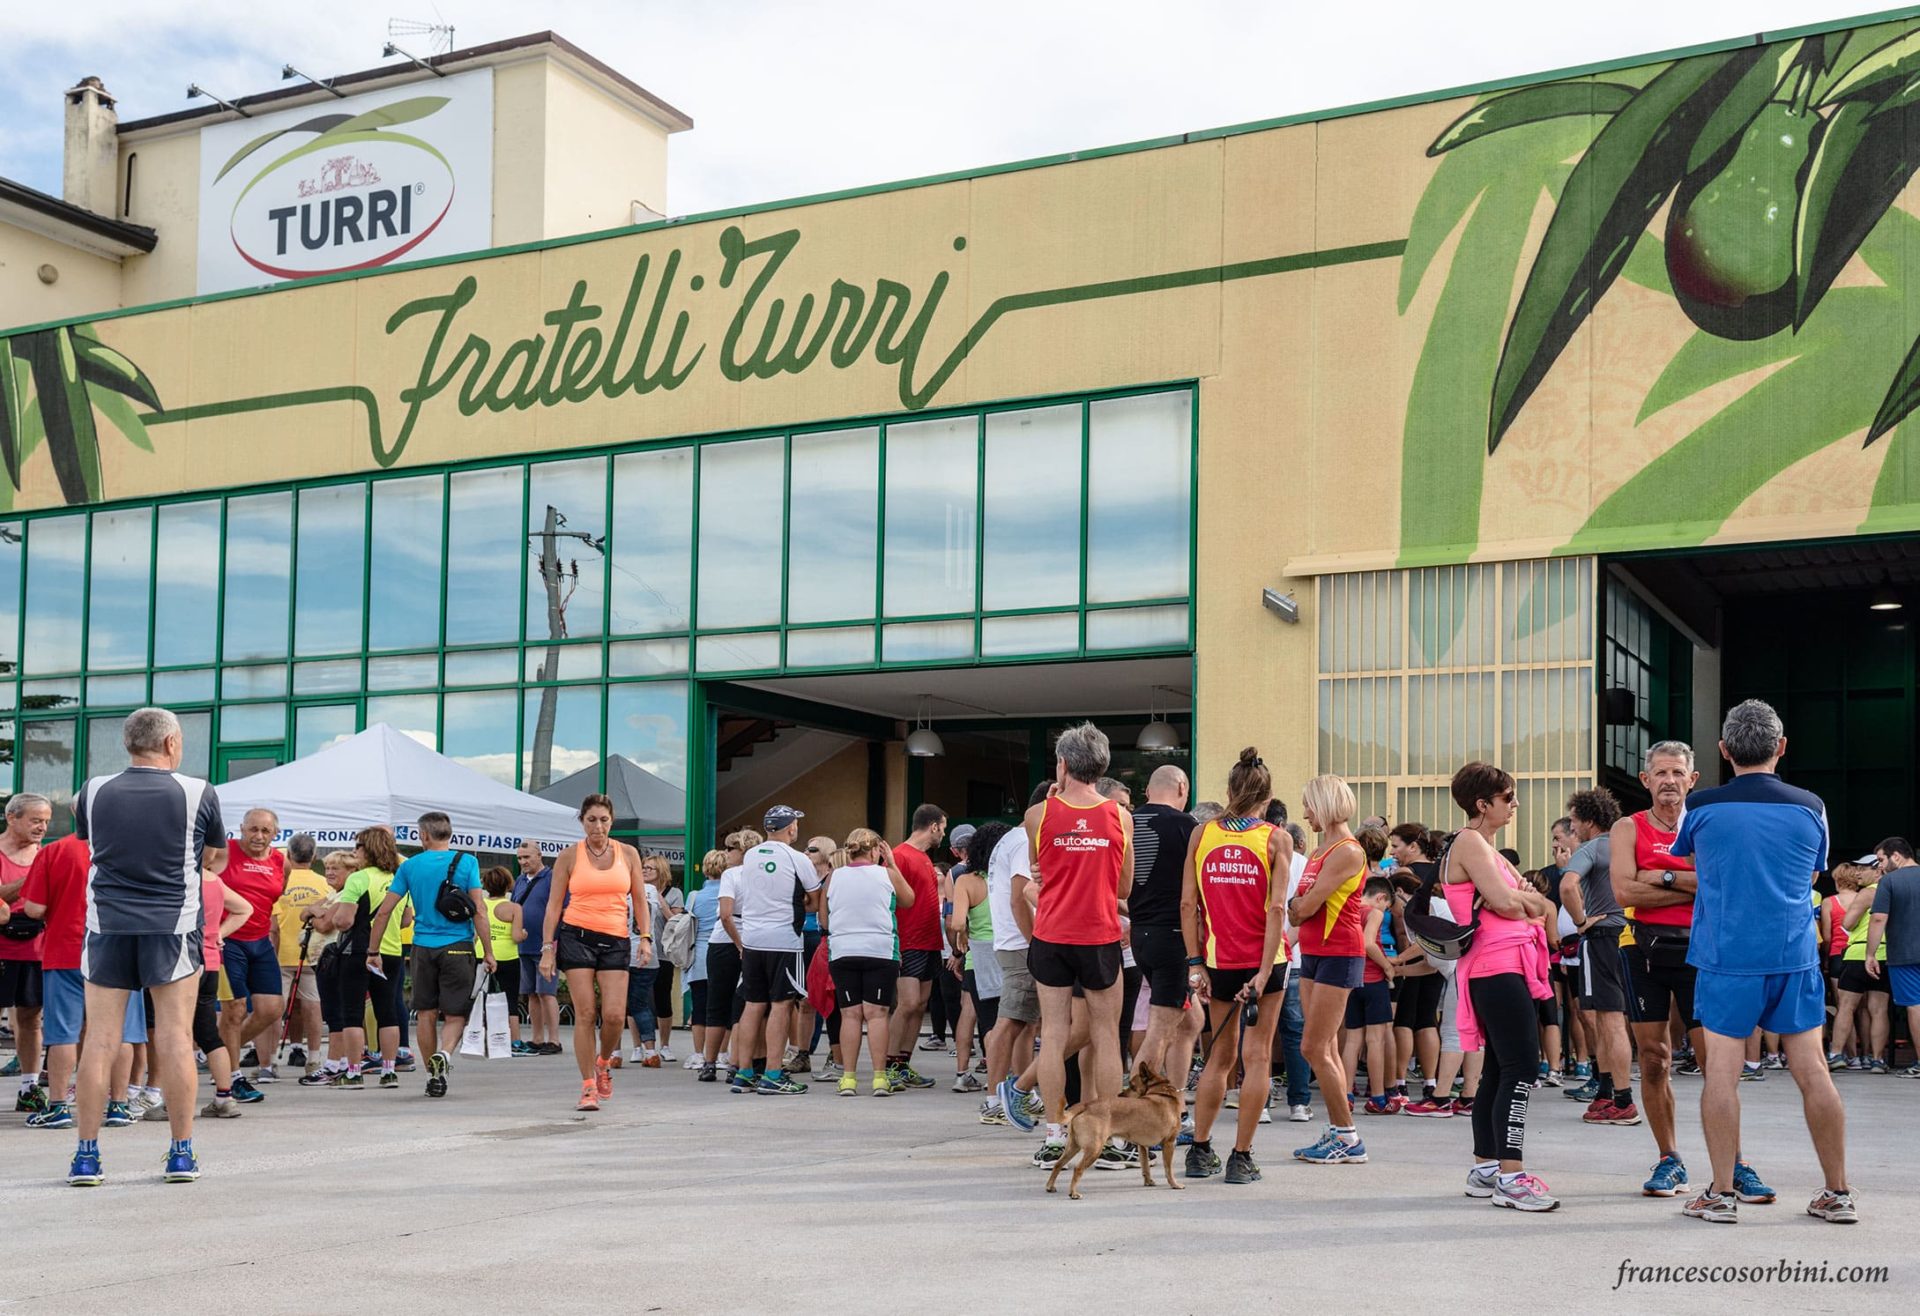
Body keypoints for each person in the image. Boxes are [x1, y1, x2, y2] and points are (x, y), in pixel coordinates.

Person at [1670, 700, 1855, 1225]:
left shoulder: (1701, 806)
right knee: (1814, 1071)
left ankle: (1722, 1194)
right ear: (1781, 747)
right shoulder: (1810, 805)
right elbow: (1817, 871)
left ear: (1724, 751)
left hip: (1727, 956)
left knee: (1722, 1076)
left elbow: (1690, 858)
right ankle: (1836, 1194)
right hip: (1793, 955)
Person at [67, 708, 227, 1187]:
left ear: (128, 743)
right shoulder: (199, 790)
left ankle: (86, 1156)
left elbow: (90, 841)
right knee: (176, 1038)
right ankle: (180, 1152)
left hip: (108, 925)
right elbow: (213, 856)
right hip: (172, 926)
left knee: (99, 1039)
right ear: (172, 743)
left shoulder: (91, 791)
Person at [1442, 762, 1560, 1211]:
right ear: (1482, 804)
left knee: (1499, 1068)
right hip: (1496, 967)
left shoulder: (1483, 847)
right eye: (1508, 798)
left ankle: (1487, 1166)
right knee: (1521, 1067)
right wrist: (1531, 901)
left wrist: (1527, 900)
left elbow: (1524, 901)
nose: (1514, 805)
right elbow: (1512, 904)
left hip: (1499, 966)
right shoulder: (1471, 842)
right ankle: (1511, 1176)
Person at [1023, 723, 1133, 1169]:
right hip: (1100, 933)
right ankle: (1105, 1136)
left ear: (1063, 764)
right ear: (1102, 765)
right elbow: (1125, 885)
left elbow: (1038, 872)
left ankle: (1054, 1135)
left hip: (1051, 933)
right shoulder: (1120, 816)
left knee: (1052, 1035)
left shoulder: (1039, 814)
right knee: (1107, 1035)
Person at [1181, 748, 1291, 1185]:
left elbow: (1188, 903)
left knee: (1218, 1057)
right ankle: (1240, 1158)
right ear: (1267, 798)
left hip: (1217, 961)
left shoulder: (1203, 834)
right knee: (1257, 1056)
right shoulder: (1275, 838)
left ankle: (1201, 1149)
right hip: (1266, 962)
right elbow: (1277, 909)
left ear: (1229, 791)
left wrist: (1195, 964)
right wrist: (1264, 974)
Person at [23, 824, 178, 1129]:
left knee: (63, 1033)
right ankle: (118, 1104)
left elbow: (33, 908)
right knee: (121, 1033)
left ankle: (57, 1106)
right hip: (120, 949)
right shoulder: (134, 849)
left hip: (66, 950)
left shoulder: (55, 851)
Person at [369, 812, 494, 1101]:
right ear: (450, 834)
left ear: (423, 835)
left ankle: (431, 1075)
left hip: (422, 947)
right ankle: (445, 1053)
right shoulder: (468, 862)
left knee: (425, 1013)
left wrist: (373, 951)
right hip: (459, 947)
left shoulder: (410, 866)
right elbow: (479, 909)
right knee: (455, 1014)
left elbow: (385, 911)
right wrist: (487, 951)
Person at [538, 795, 647, 1111]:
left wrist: (645, 937)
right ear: (582, 822)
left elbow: (638, 898)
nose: (598, 826)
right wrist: (548, 949)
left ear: (612, 821)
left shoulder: (628, 854)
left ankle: (603, 1063)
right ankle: (587, 1086)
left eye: (603, 819)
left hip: (616, 938)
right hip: (577, 937)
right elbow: (554, 905)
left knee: (614, 1015)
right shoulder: (569, 856)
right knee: (585, 1013)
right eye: (591, 820)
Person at [1285, 774, 1369, 1164]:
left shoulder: (1348, 851)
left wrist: (1299, 907)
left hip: (1339, 952)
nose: (1305, 813)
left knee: (1312, 1046)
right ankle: (1341, 1131)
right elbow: (1300, 909)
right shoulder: (1321, 851)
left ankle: (1347, 1136)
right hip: (1315, 953)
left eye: (1309, 805)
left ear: (1324, 805)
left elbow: (1306, 906)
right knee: (1326, 1047)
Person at [1558, 787, 1637, 1124]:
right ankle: (1607, 1091)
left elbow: (1567, 886)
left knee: (1609, 1020)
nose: (1572, 829)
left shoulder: (1591, 848)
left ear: (1590, 821)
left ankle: (1622, 1099)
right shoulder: (1627, 847)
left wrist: (1580, 922)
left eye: (1574, 822)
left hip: (1602, 936)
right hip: (1632, 936)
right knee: (1613, 1020)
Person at [730, 805, 822, 1096]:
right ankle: (772, 1073)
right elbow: (815, 901)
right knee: (781, 1005)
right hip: (783, 938)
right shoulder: (797, 858)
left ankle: (744, 1072)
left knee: (753, 1004)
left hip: (753, 938)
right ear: (791, 828)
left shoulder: (750, 855)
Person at [1127, 764, 1201, 1084]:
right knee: (1159, 1031)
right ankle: (1133, 1119)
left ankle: (1176, 1103)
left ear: (1147, 792)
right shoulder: (1188, 826)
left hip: (1138, 935)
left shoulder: (1124, 822)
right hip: (1172, 936)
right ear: (1182, 788)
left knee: (1190, 1021)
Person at [827, 829, 914, 1095]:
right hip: (880, 948)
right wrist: (893, 865)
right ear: (876, 850)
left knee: (849, 1015)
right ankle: (879, 1078)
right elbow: (909, 900)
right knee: (877, 1015)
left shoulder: (835, 876)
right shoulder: (886, 873)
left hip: (843, 948)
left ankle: (849, 1079)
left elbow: (824, 914)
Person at [216, 808, 287, 1103]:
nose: (258, 836)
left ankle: (219, 1053)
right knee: (234, 1010)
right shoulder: (224, 852)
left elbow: (273, 897)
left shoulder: (281, 861)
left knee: (272, 1009)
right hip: (228, 939)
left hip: (259, 941)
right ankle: (232, 1078)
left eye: (265, 831)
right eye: (253, 829)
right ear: (242, 829)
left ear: (276, 834)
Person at [987, 783, 1048, 1129]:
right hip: (1021, 941)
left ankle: (1022, 1092)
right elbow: (1019, 897)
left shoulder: (1010, 838)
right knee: (1010, 1021)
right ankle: (995, 1099)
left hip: (1012, 940)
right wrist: (1035, 941)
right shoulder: (1027, 839)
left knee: (1024, 1023)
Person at [885, 804, 947, 1090]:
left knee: (920, 1004)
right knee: (907, 1003)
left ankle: (902, 1063)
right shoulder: (899, 856)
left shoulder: (922, 857)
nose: (943, 835)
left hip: (930, 940)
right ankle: (887, 1064)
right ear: (933, 826)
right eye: (942, 828)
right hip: (908, 940)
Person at [0, 792, 51, 1115]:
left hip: (36, 943)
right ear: (12, 818)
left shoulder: (45, 854)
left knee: (31, 1017)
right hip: (2, 940)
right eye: (35, 820)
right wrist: (30, 880)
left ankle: (29, 1087)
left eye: (46, 821)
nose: (42, 827)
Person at [270, 833, 326, 1078]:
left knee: (273, 1009)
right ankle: (314, 1059)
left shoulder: (280, 881)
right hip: (313, 954)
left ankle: (269, 1061)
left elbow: (271, 922)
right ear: (314, 857)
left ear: (289, 855)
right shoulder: (324, 884)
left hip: (280, 954)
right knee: (313, 1006)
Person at [1865, 837, 1920, 1077]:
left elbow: (1878, 918)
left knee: (1915, 1006)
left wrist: (1870, 953)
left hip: (1905, 954)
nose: (1879, 866)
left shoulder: (1889, 881)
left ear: (1896, 856)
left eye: (1881, 859)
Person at [703, 832, 753, 1082]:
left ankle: (709, 1063)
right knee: (741, 1007)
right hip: (752, 939)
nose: (726, 853)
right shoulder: (760, 874)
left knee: (717, 1004)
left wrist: (737, 942)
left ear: (742, 851)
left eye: (730, 849)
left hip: (723, 940)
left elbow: (725, 914)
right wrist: (744, 945)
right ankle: (735, 1063)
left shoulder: (730, 875)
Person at [1835, 860, 1890, 1070]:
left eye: (1863, 869)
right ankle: (1877, 1059)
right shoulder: (1893, 891)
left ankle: (1837, 1054)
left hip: (1860, 952)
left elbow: (1847, 923)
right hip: (1885, 953)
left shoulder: (1868, 893)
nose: (1858, 873)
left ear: (1877, 872)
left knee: (1846, 1007)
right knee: (1878, 1009)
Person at [511, 843, 559, 1056]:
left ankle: (554, 1040)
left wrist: (554, 943)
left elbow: (561, 909)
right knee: (531, 993)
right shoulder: (520, 880)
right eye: (520, 858)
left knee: (546, 992)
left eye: (527, 857)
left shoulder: (551, 878)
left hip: (545, 946)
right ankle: (537, 1038)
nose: (523, 862)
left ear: (539, 855)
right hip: (523, 946)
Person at [686, 849, 726, 1073]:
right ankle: (722, 1053)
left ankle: (699, 1053)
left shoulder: (694, 896)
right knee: (724, 1005)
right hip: (724, 952)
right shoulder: (731, 892)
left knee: (700, 1005)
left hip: (700, 954)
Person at [479, 866, 525, 1053]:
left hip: (482, 954)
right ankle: (514, 1042)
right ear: (508, 885)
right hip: (508, 956)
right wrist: (524, 934)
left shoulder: (479, 905)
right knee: (510, 1000)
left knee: (482, 999)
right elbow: (516, 936)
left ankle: (482, 1038)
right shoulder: (514, 908)